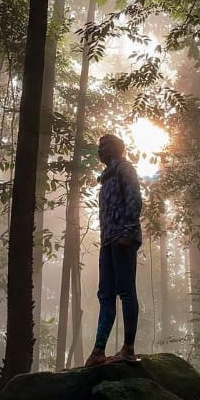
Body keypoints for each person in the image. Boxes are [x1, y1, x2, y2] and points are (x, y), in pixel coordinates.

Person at [84, 133, 142, 367]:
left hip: (123, 239)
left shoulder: (124, 168)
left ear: (116, 149)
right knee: (105, 294)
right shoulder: (106, 177)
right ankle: (99, 351)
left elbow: (134, 199)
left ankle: (128, 348)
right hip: (108, 241)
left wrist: (128, 232)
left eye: (104, 146)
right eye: (99, 146)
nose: (100, 150)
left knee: (126, 292)